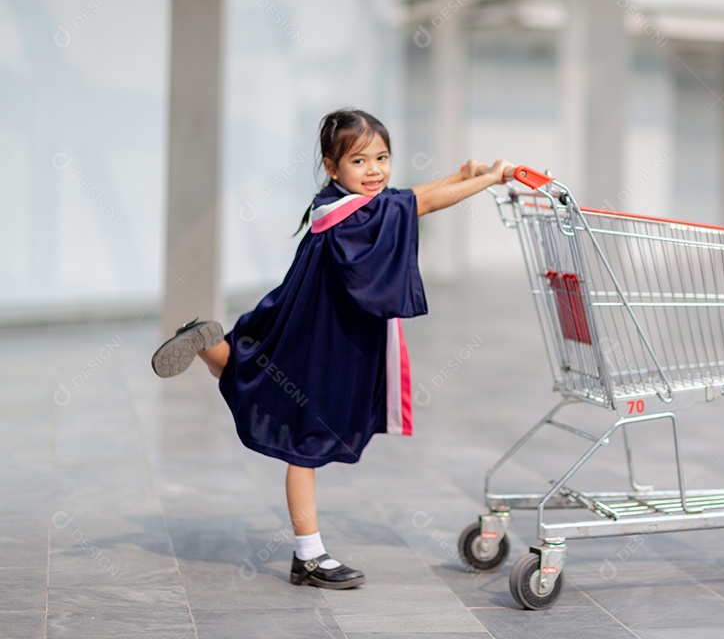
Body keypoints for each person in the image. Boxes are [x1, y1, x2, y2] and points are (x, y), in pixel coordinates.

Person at [151, 108, 513, 589]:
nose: (375, 170)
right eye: (360, 161)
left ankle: (207, 340)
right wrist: (486, 182)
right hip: (321, 341)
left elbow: (410, 197)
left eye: (382, 157)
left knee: (254, 379)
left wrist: (464, 176)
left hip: (300, 322)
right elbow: (420, 205)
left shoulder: (338, 205)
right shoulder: (356, 216)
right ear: (331, 166)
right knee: (305, 442)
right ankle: (309, 556)